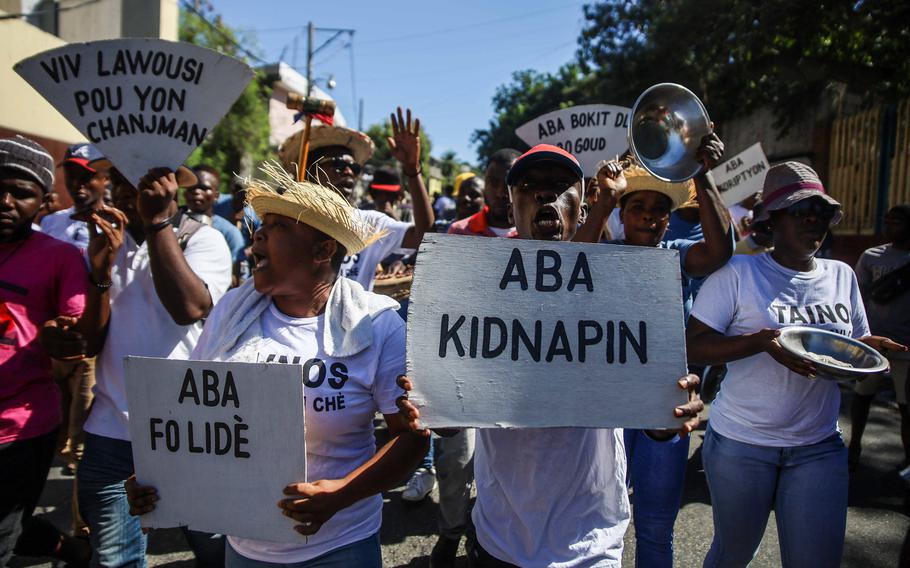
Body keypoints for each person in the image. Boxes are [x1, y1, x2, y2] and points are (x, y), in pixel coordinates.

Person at [399, 144, 704, 567]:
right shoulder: (475, 287)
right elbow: (453, 425)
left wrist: (666, 409)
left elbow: (654, 422)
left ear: (583, 208)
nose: (546, 195)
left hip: (589, 541)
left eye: (560, 187)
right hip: (500, 535)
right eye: (530, 186)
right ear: (512, 204)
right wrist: (433, 404)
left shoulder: (623, 285)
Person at [125, 163, 429, 567]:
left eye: (279, 226)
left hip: (340, 544)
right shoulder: (231, 311)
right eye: (261, 224)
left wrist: (339, 495)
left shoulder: (377, 325)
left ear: (322, 250)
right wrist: (159, 475)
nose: (259, 233)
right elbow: (196, 417)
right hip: (245, 547)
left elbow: (409, 439)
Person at [685, 162, 908, 567]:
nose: (812, 219)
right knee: (733, 555)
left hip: (817, 446)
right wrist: (757, 342)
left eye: (820, 212)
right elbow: (693, 347)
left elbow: (845, 344)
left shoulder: (841, 275)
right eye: (800, 210)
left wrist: (867, 347)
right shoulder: (738, 272)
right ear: (773, 219)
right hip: (742, 444)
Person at [43, 164, 232, 567]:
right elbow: (91, 342)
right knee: (115, 561)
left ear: (171, 190)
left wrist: (156, 223)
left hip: (190, 433)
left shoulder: (205, 239)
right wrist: (99, 273)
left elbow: (189, 308)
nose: (134, 195)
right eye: (124, 186)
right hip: (112, 434)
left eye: (147, 186)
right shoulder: (106, 243)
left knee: (218, 555)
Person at [580, 134, 732, 568]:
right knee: (594, 521)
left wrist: (704, 175)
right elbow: (567, 263)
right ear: (624, 215)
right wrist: (603, 204)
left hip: (665, 408)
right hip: (603, 410)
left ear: (670, 217)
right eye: (637, 209)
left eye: (659, 211)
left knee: (655, 526)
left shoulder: (677, 257)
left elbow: (720, 251)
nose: (648, 218)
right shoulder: (601, 255)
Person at [0, 135, 91, 567]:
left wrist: (63, 336)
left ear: (43, 202)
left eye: (21, 193)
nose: (6, 200)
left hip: (20, 426)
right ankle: (65, 548)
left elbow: (77, 330)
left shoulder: (60, 257)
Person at [278, 107, 433, 291]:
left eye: (354, 167)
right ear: (310, 172)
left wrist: (412, 169)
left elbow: (424, 235)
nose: (349, 171)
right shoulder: (288, 222)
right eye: (338, 164)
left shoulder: (369, 224)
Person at [850, 204, 910, 469]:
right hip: (873, 345)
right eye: (888, 220)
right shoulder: (871, 256)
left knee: (906, 407)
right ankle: (854, 447)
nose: (890, 225)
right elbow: (857, 298)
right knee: (862, 397)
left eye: (898, 221)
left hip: (906, 347)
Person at [183, 165, 247, 280]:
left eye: (203, 188)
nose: (197, 191)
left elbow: (240, 274)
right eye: (192, 187)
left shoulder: (229, 233)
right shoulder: (171, 224)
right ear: (184, 192)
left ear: (216, 196)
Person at [448, 149, 520, 238]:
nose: (500, 193)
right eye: (493, 182)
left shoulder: (537, 233)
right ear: (485, 184)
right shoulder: (458, 232)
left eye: (509, 184)